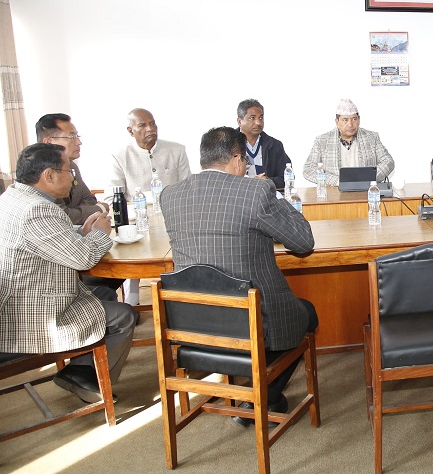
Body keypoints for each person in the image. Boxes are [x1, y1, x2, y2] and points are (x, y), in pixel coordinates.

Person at [159, 126, 318, 428]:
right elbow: (303, 242)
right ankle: (265, 397)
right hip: (251, 322)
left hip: (193, 321)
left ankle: (254, 394)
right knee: (306, 313)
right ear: (235, 158)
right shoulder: (256, 191)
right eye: (244, 161)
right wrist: (280, 199)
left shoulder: (170, 195)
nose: (245, 167)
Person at [0, 144, 134, 403]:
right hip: (33, 316)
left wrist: (79, 233)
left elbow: (43, 240)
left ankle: (80, 369)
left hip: (16, 299)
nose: (72, 179)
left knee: (104, 292)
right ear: (49, 175)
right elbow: (83, 259)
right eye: (67, 171)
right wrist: (99, 234)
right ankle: (86, 375)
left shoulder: (13, 197)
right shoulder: (39, 210)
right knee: (124, 316)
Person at [109, 108, 191, 309]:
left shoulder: (176, 150)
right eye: (143, 125)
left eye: (153, 123)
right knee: (133, 245)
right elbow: (113, 195)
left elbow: (188, 187)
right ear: (131, 130)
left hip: (173, 217)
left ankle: (179, 301)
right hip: (137, 220)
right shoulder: (120, 155)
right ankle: (132, 301)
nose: (150, 129)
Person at [35, 113, 109, 224]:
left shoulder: (71, 165)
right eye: (71, 137)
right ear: (48, 142)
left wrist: (76, 212)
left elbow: (90, 199)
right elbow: (61, 216)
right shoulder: (41, 174)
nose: (79, 142)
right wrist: (100, 208)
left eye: (77, 136)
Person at [302, 99, 395, 186]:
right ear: (337, 122)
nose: (350, 124)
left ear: (359, 119)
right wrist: (337, 181)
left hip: (366, 191)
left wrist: (368, 178)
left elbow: (388, 162)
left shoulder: (371, 138)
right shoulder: (322, 141)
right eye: (345, 120)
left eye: (354, 119)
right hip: (334, 193)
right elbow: (308, 169)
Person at [237, 98, 292, 189]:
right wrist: (251, 182)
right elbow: (223, 178)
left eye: (261, 118)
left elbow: (286, 179)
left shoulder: (274, 145)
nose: (258, 122)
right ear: (239, 121)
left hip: (266, 197)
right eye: (252, 118)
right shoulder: (228, 145)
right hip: (238, 197)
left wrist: (268, 181)